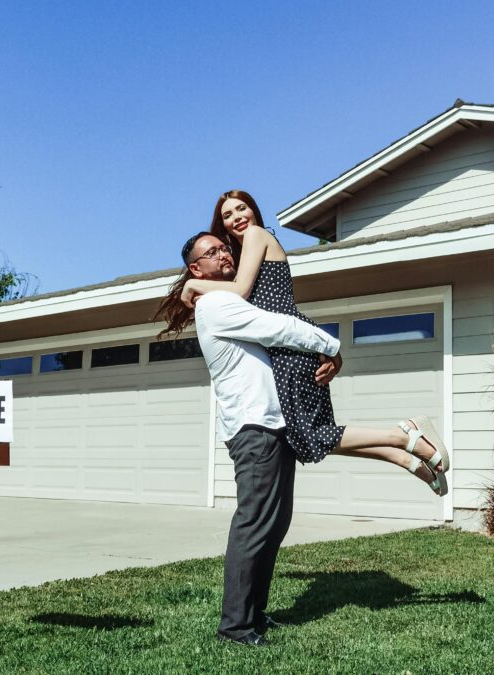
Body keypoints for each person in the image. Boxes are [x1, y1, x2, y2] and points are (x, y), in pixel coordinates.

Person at [161, 190, 450, 494]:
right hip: (284, 349)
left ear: (254, 211)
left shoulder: (257, 236)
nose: (236, 218)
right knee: (307, 438)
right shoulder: (243, 253)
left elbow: (242, 289)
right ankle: (403, 457)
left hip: (290, 345)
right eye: (227, 216)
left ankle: (404, 436)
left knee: (311, 436)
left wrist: (193, 283)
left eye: (241, 208)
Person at [159, 231, 343, 646]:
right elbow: (275, 327)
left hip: (273, 424)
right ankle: (235, 627)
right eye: (212, 252)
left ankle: (255, 615)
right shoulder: (216, 304)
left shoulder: (229, 297)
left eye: (224, 248)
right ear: (195, 269)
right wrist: (332, 345)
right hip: (254, 428)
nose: (223, 253)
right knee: (254, 523)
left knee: (274, 524)